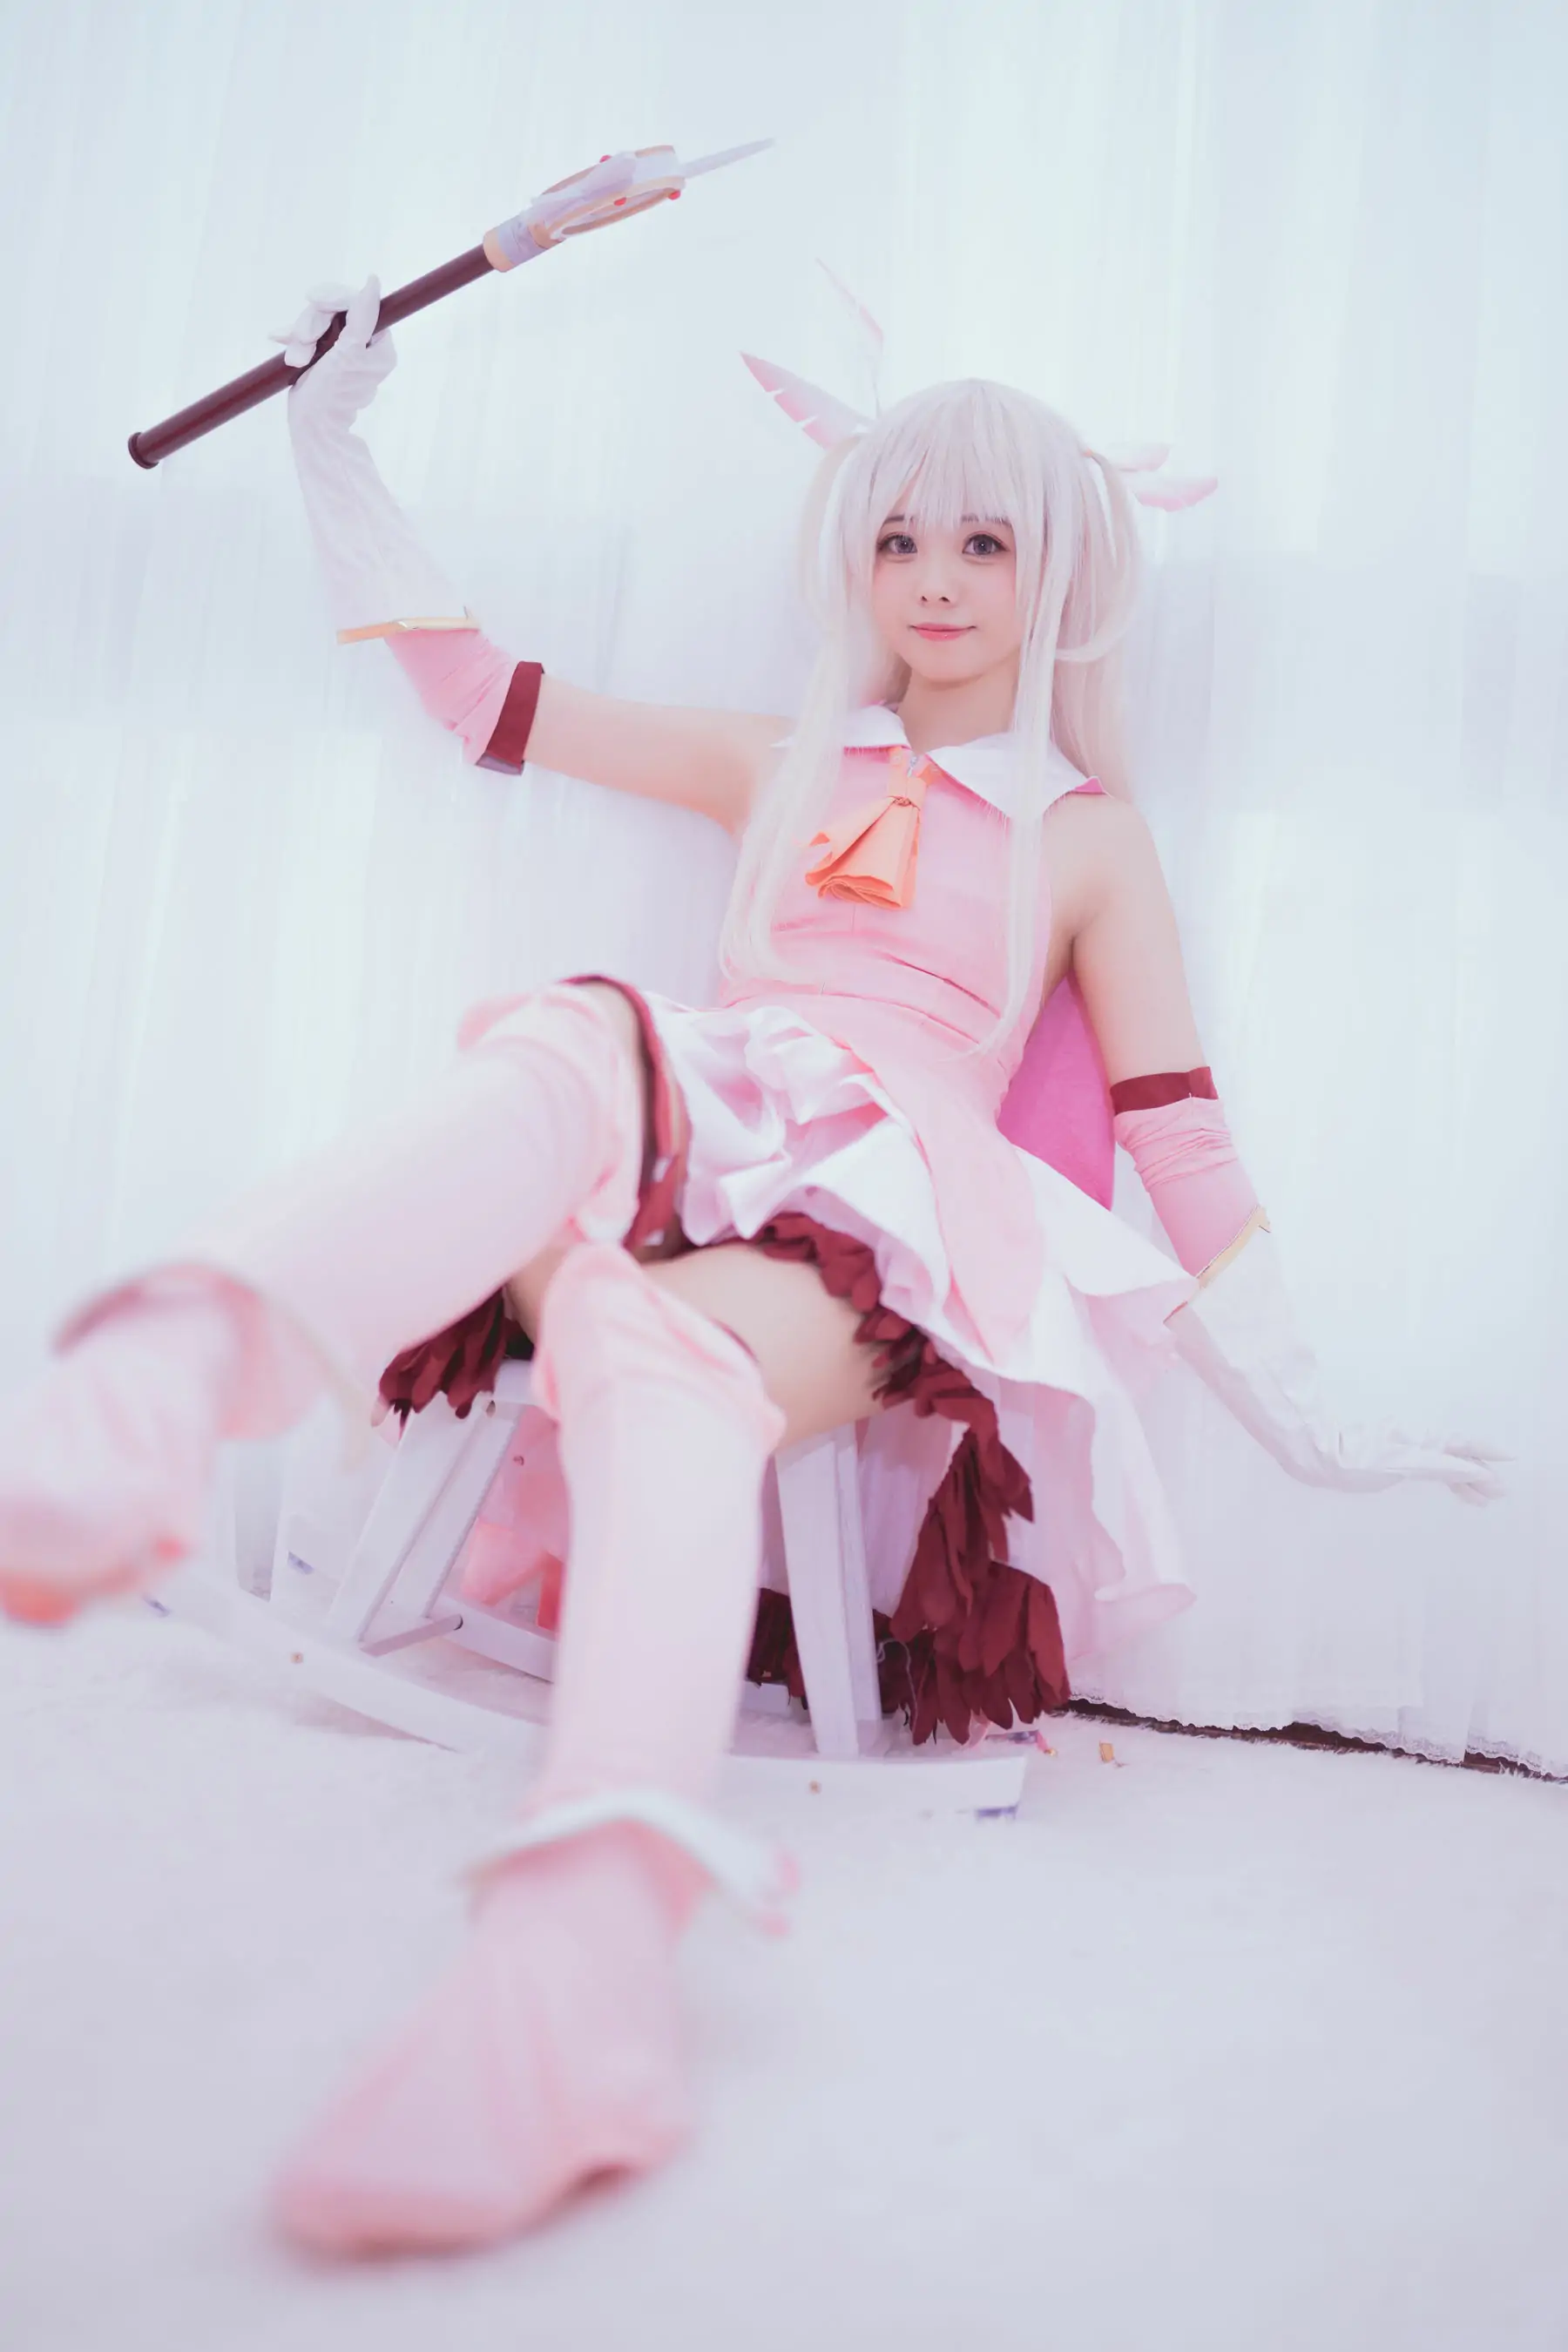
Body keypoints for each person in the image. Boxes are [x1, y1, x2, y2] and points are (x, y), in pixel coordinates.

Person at [0, 276, 1504, 2258]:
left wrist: (1307, 1411)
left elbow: (1181, 1133)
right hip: (678, 1114)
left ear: (1059, 570)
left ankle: (578, 1984)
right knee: (574, 1036)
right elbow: (487, 698)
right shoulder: (781, 760)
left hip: (885, 1203)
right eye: (901, 537)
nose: (936, 579)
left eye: (985, 541)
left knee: (659, 1364)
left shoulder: (1088, 840)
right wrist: (328, 442)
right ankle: (157, 1383)